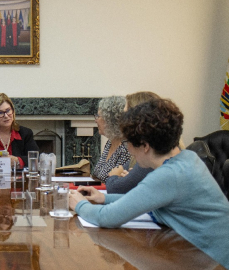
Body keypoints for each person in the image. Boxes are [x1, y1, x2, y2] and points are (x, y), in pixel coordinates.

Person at [69, 99, 229, 268]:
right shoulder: (187, 158)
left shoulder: (169, 175)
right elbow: (142, 199)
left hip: (215, 262)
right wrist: (103, 198)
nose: (129, 150)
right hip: (204, 254)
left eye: (129, 143)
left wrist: (79, 204)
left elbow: (106, 218)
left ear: (145, 145)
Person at [105, 92, 161, 193]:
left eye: (126, 114)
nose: (122, 120)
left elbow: (114, 188)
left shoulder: (148, 155)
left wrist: (115, 177)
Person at [92, 96, 131, 181]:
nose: (96, 120)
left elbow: (118, 182)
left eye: (98, 116)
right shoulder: (110, 142)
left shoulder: (126, 148)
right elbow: (97, 175)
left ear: (110, 120)